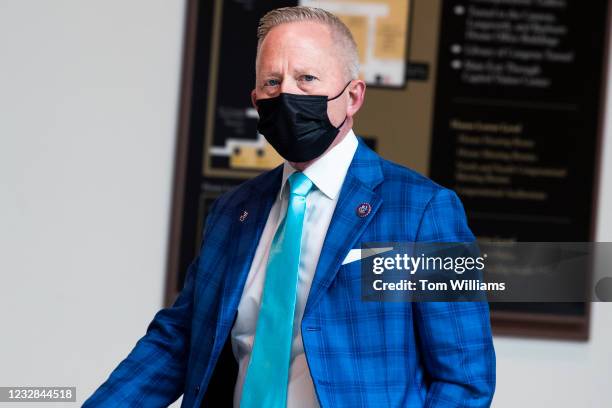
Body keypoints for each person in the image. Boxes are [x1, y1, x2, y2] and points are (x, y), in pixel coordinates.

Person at [84, 6, 495, 408]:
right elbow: (179, 340)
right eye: (272, 82)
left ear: (352, 96)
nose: (287, 94)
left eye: (307, 78)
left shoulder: (425, 211)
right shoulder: (233, 212)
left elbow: (464, 379)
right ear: (256, 99)